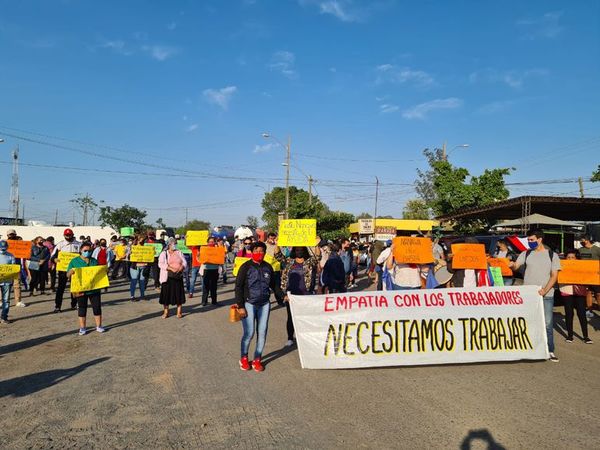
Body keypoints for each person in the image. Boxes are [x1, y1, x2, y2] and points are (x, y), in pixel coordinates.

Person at [510, 229, 561, 362]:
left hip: (547, 294)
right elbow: (516, 266)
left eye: (532, 240)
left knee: (548, 324)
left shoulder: (552, 255)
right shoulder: (526, 253)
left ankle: (550, 350)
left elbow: (554, 276)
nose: (530, 242)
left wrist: (545, 290)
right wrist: (512, 265)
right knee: (529, 322)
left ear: (540, 239)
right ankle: (530, 348)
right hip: (529, 295)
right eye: (528, 240)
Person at [235, 242, 285, 372]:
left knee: (262, 333)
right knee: (249, 333)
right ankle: (244, 358)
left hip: (264, 305)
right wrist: (240, 306)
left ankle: (257, 359)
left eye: (262, 251)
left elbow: (274, 286)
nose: (260, 253)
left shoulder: (268, 267)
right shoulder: (245, 267)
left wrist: (283, 296)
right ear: (252, 251)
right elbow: (238, 287)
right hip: (249, 304)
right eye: (257, 250)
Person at [277, 246, 320, 346]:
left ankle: (304, 337)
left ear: (304, 251)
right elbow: (278, 256)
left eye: (301, 250)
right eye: (297, 250)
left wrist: (316, 244)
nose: (299, 252)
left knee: (305, 317)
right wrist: (278, 243)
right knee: (290, 317)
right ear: (294, 251)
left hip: (306, 294)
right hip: (291, 295)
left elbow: (318, 256)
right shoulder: (289, 262)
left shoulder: (309, 262)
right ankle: (290, 338)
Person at [67, 242, 105, 335]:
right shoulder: (74, 261)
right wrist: (70, 272)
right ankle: (82, 328)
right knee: (82, 308)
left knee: (97, 307)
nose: (87, 252)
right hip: (81, 289)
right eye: (85, 250)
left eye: (89, 251)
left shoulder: (94, 261)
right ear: (80, 250)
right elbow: (67, 275)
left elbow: (99, 274)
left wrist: (104, 271)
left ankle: (99, 326)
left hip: (94, 289)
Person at [558, 250, 592, 344]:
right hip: (567, 291)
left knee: (582, 314)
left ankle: (586, 336)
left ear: (577, 258)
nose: (570, 259)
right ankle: (570, 336)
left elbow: (588, 277)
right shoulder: (561, 266)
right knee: (569, 314)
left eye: (572, 257)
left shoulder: (582, 267)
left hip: (579, 292)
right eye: (568, 257)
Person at [51, 228, 81, 312]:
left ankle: (74, 304)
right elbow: (52, 256)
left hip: (75, 269)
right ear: (64, 235)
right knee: (61, 288)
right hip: (63, 270)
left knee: (74, 288)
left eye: (69, 235)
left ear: (73, 234)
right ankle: (57, 306)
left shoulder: (79, 244)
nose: (68, 236)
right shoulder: (60, 245)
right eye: (66, 235)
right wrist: (54, 259)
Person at [158, 237, 187, 318]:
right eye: (174, 243)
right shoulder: (164, 253)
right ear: (169, 244)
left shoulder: (179, 252)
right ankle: (166, 312)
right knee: (166, 295)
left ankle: (179, 312)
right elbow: (160, 264)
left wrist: (182, 266)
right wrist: (170, 268)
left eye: (175, 243)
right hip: (167, 277)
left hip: (178, 276)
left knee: (178, 294)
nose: (175, 245)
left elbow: (184, 261)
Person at [578, 236, 600, 318]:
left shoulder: (597, 249)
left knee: (598, 294)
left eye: (582, 239)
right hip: (585, 276)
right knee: (588, 292)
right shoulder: (580, 250)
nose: (581, 241)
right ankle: (589, 310)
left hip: (596, 276)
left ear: (587, 240)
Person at [201, 236, 220, 306]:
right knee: (206, 286)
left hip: (215, 270)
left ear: (214, 242)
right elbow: (201, 260)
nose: (211, 243)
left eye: (212, 242)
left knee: (214, 287)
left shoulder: (218, 249)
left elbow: (220, 259)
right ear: (207, 242)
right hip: (207, 269)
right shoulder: (204, 250)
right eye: (210, 242)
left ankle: (214, 301)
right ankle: (204, 301)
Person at [128, 235, 148, 301]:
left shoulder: (146, 248)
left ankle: (142, 295)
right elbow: (128, 257)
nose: (142, 241)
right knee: (134, 281)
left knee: (142, 282)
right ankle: (132, 296)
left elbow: (149, 257)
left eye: (143, 240)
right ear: (138, 240)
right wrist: (130, 254)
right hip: (135, 267)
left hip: (143, 266)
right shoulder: (133, 248)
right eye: (141, 240)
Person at [0, 240, 16, 324]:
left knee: (6, 300)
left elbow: (13, 268)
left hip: (7, 281)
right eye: (1, 248)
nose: (3, 250)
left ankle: (4, 317)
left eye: (4, 248)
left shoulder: (11, 256)